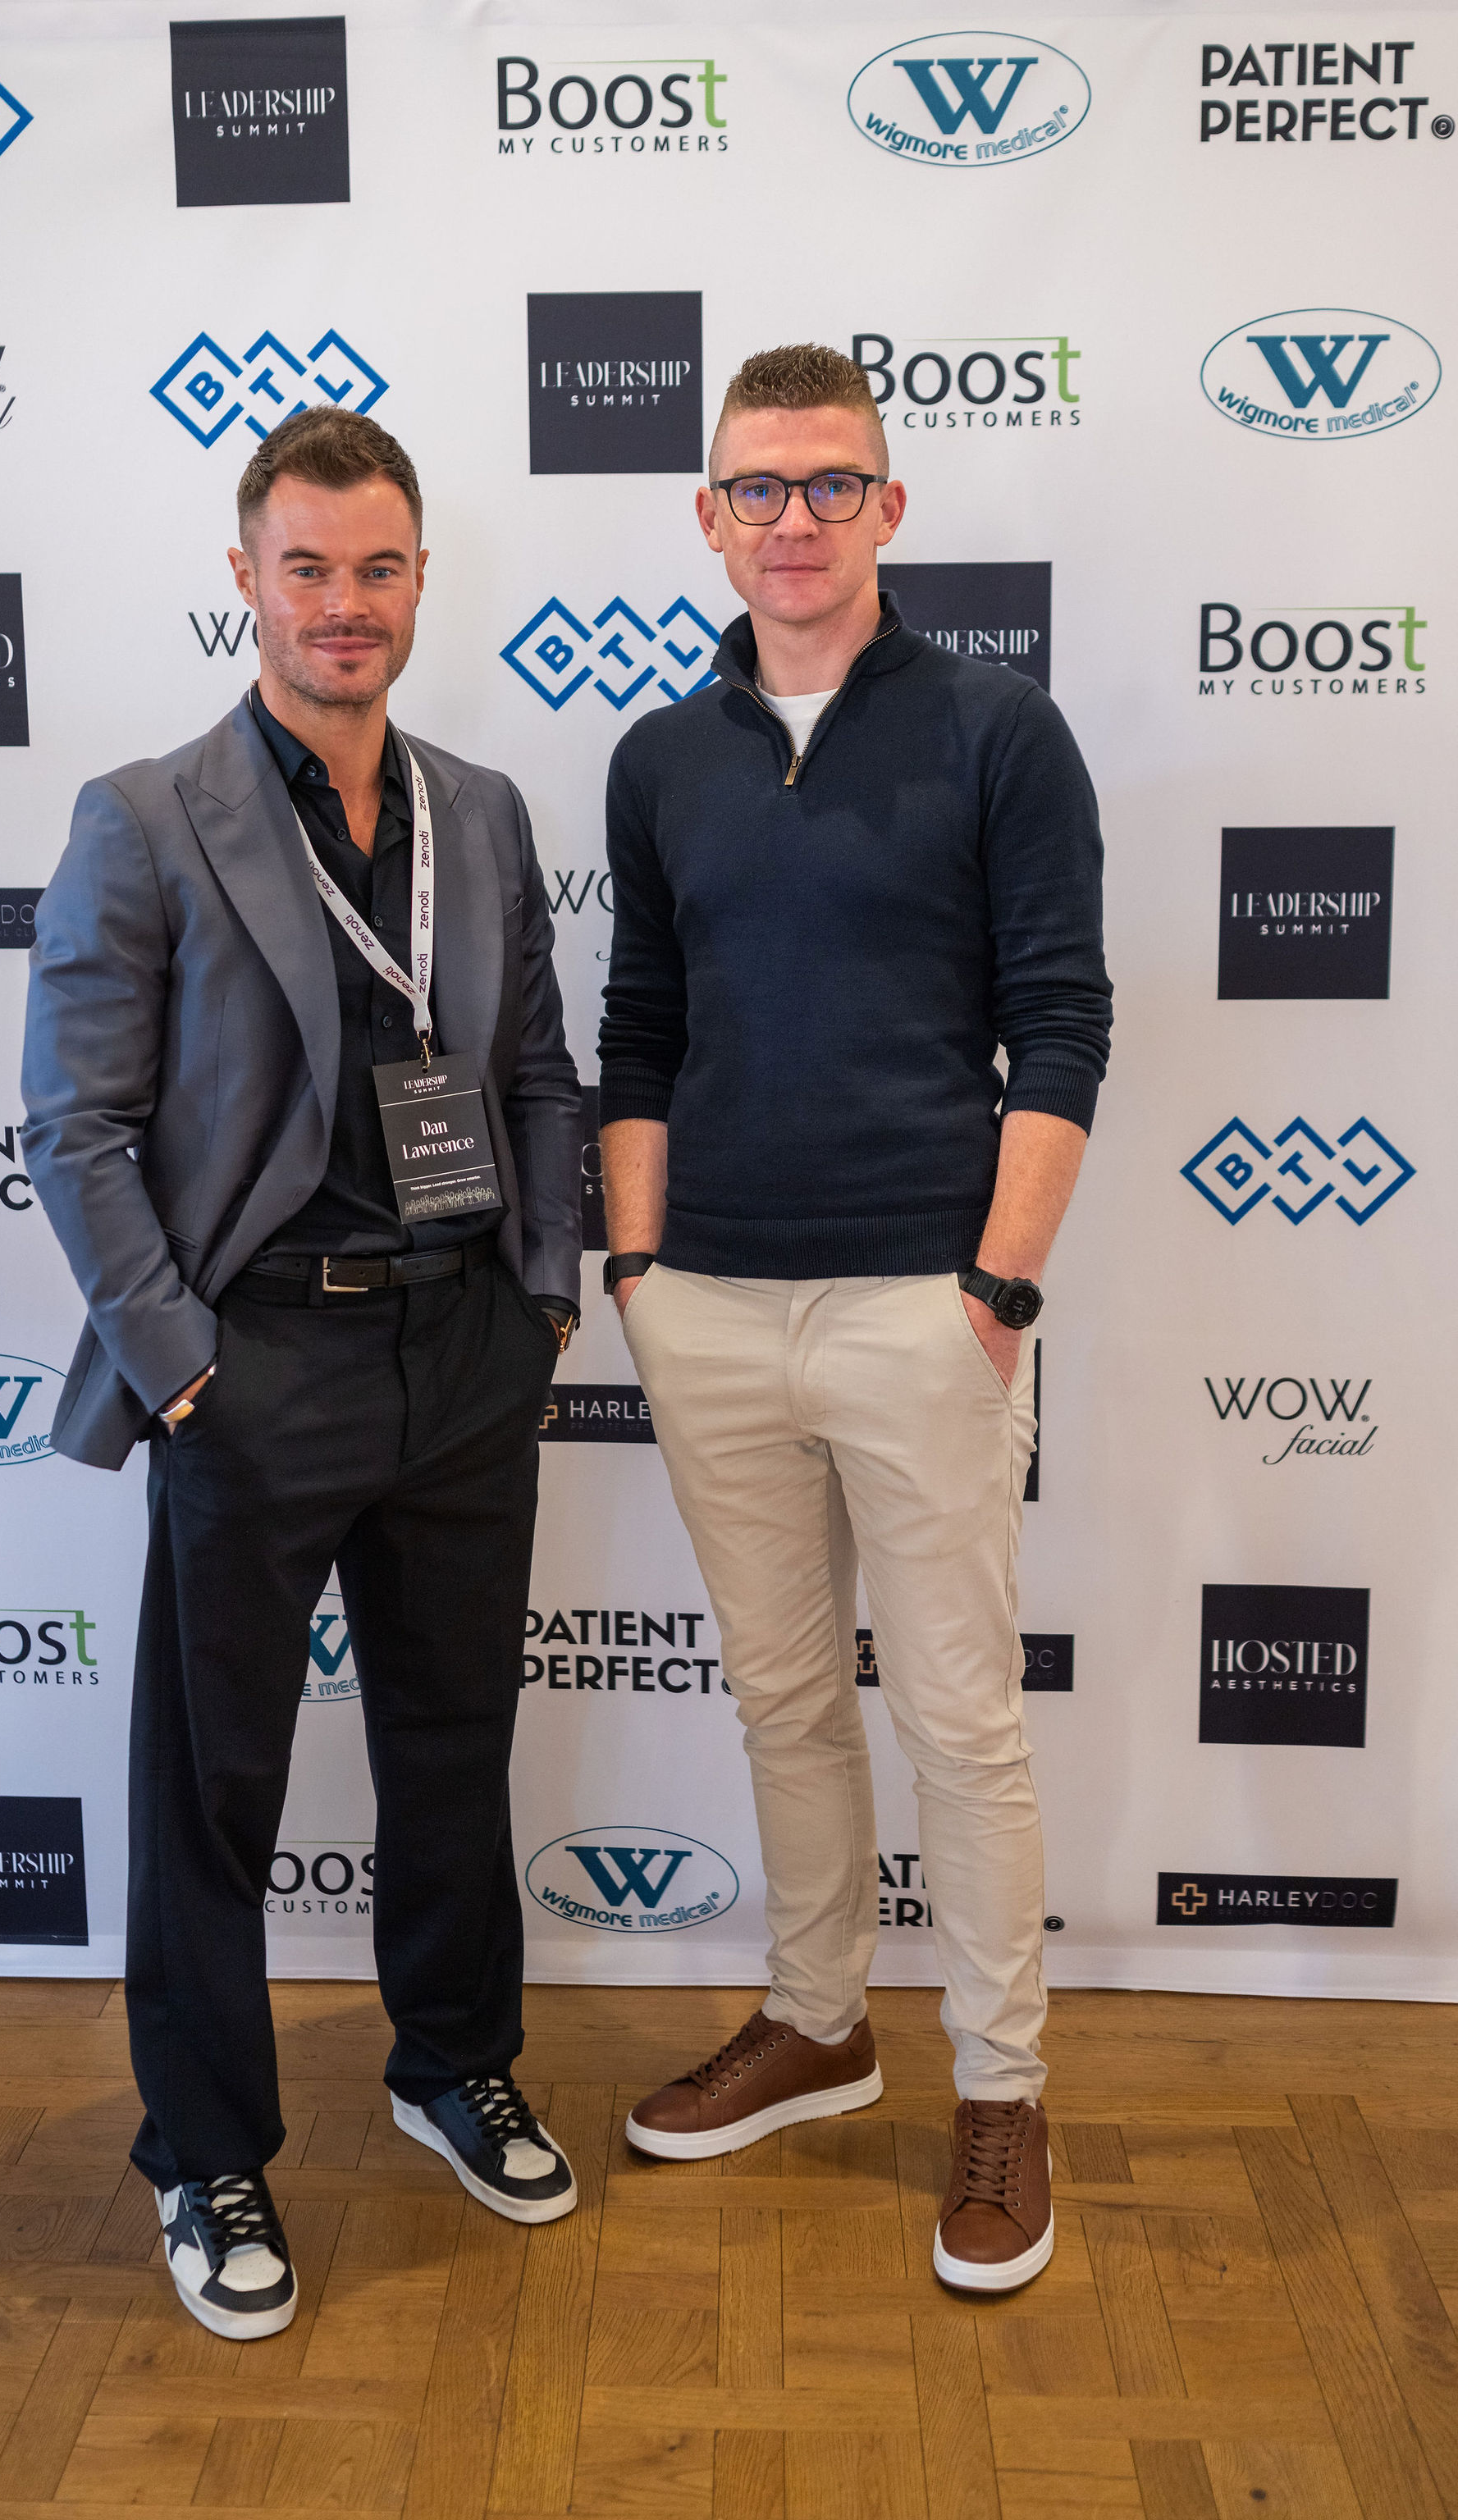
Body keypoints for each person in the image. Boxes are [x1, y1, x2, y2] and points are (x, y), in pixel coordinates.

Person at [22, 406, 584, 2341]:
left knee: (453, 1746)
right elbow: (75, 1129)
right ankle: (207, 2153)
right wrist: (181, 1366)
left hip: (464, 1357)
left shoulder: (483, 812)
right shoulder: (146, 816)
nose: (346, 604)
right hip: (254, 1362)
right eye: (309, 568)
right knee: (212, 1793)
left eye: (379, 568)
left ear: (420, 579)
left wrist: (541, 1294)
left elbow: (534, 1072)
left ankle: (453, 2062)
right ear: (246, 580)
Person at [597, 345, 1112, 2294]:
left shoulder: (999, 732)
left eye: (830, 483)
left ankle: (1001, 2088)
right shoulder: (660, 759)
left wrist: (997, 1286)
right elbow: (639, 1031)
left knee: (959, 1719)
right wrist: (638, 1277)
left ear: (888, 507)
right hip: (709, 1308)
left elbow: (1060, 1023)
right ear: (709, 517)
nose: (793, 518)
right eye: (759, 486)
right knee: (783, 1694)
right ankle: (819, 2022)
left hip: (923, 1304)